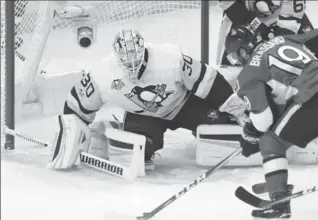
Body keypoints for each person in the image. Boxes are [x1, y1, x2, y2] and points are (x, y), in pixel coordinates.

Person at [48, 29, 249, 172]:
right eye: (127, 63)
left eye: (136, 60)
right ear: (117, 59)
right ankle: (111, 128)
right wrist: (70, 133)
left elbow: (207, 80)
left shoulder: (168, 57)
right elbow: (77, 104)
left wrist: (234, 106)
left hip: (184, 104)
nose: (133, 68)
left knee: (223, 125)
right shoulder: (102, 74)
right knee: (137, 154)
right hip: (144, 115)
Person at [225, 25, 318, 220]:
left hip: (313, 95)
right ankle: (277, 184)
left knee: (272, 141)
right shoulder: (285, 39)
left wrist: (249, 136)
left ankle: (278, 207)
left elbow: (263, 121)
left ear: (241, 52)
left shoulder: (249, 73)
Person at [216, 0, 314, 66]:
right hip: (242, 16)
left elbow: (292, 14)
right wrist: (256, 27)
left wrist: (280, 41)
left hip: (284, 14)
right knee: (230, 74)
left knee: (313, 55)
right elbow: (227, 3)